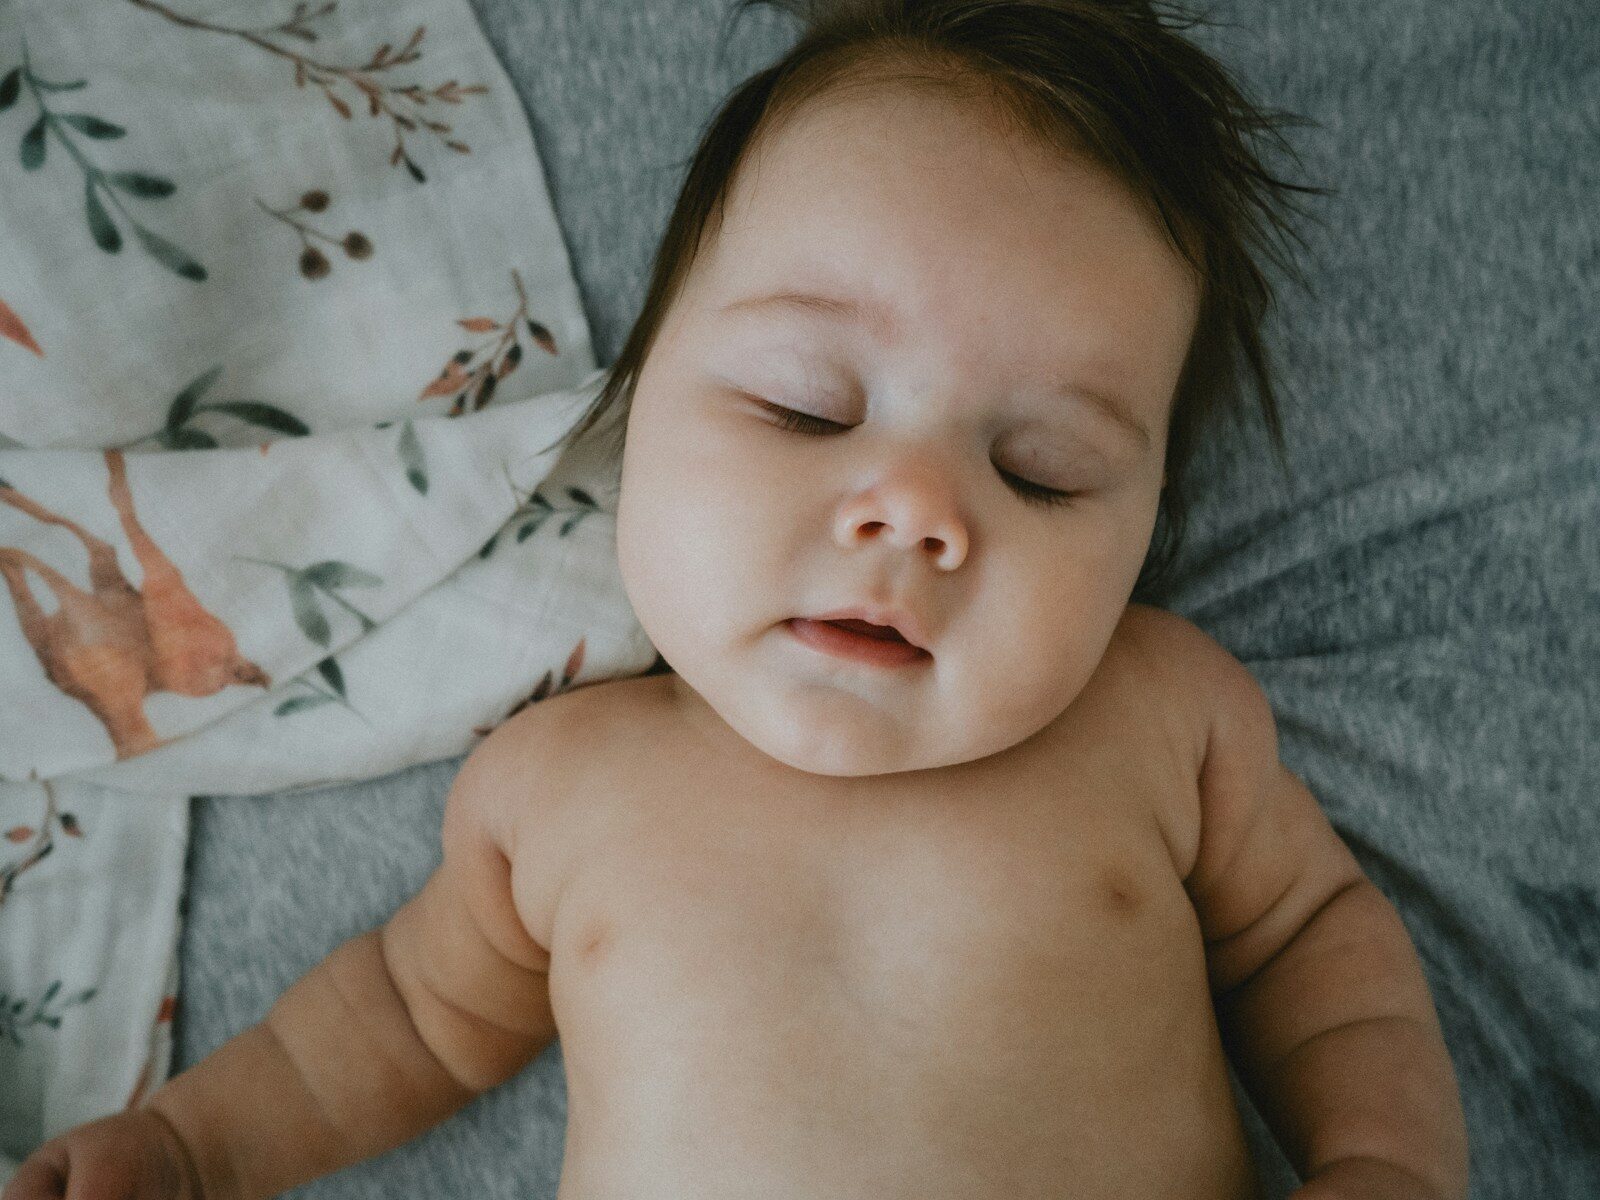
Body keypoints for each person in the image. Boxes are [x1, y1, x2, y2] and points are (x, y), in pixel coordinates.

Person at [3, 1, 1471, 1197]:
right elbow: (394, 1027)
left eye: (1041, 470)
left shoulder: (1162, 717)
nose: (912, 512)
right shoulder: (561, 780)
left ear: (1146, 532)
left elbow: (1312, 947)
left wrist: (1384, 1159)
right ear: (630, 421)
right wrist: (192, 1147)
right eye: (801, 409)